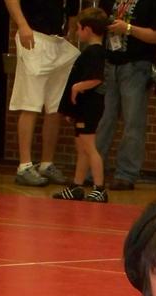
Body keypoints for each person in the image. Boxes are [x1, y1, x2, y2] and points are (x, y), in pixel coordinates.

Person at [93, 0, 156, 191]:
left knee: (133, 123)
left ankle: (126, 174)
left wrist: (128, 29)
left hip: (137, 65)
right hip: (109, 64)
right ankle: (93, 170)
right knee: (103, 120)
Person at [4, 0, 80, 187]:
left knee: (55, 107)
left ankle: (47, 163)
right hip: (34, 35)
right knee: (30, 103)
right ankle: (24, 166)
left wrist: (70, 31)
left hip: (58, 41)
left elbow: (72, 10)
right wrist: (22, 25)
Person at [53, 6, 111, 203]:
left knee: (89, 147)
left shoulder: (95, 52)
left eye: (78, 28)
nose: (77, 32)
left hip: (90, 107)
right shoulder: (90, 51)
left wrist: (77, 87)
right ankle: (77, 186)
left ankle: (99, 188)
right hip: (83, 107)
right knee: (82, 149)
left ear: (88, 29)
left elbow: (96, 79)